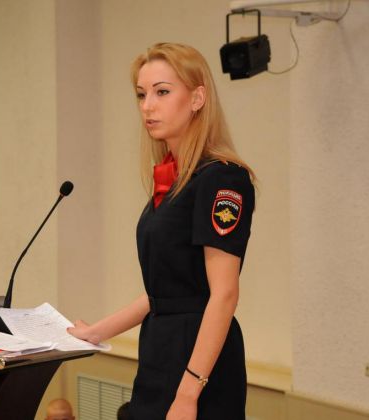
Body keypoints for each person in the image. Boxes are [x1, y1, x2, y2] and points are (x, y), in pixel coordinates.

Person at [68, 42, 255, 420]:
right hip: (160, 349)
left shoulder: (222, 179)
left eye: (162, 92)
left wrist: (188, 393)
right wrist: (99, 331)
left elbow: (224, 295)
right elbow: (166, 290)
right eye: (141, 95)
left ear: (197, 98)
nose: (147, 106)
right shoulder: (172, 181)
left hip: (199, 362)